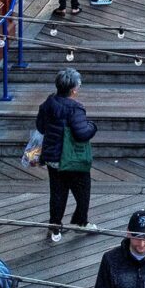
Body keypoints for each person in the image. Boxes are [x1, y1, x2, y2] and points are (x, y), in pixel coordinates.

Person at [33, 69, 95, 240]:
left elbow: (41, 127)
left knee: (57, 193)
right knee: (83, 191)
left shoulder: (48, 103)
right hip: (73, 160)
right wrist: (93, 126)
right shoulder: (76, 108)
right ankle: (80, 222)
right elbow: (82, 134)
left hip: (53, 159)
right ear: (73, 89)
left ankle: (55, 226)